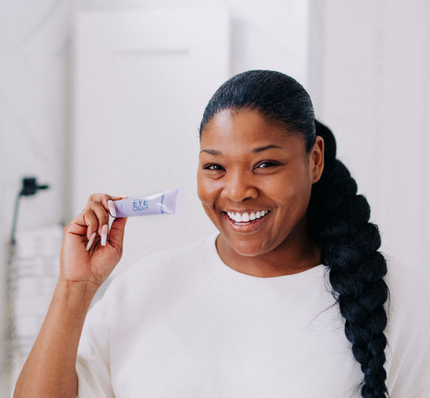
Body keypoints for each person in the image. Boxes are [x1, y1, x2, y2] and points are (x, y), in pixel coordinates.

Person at [13, 70, 430, 398]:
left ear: (315, 160)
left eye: (265, 164)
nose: (236, 191)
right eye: (215, 167)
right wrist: (75, 287)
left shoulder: (390, 297)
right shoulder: (143, 288)